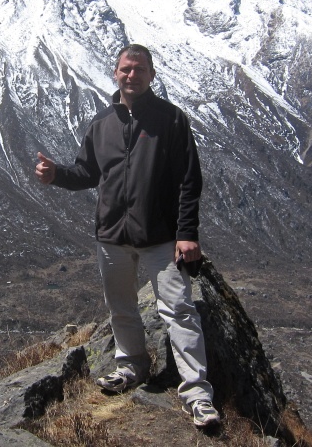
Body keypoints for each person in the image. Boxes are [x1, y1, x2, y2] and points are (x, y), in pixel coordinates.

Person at [34, 43, 219, 428]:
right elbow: (87, 173)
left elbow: (189, 180)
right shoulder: (102, 123)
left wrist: (187, 233)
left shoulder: (171, 120)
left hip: (161, 237)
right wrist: (56, 175)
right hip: (112, 236)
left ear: (152, 75)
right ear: (115, 73)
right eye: (125, 69)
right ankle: (132, 366)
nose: (132, 75)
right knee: (121, 307)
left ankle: (197, 394)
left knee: (179, 310)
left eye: (139, 69)